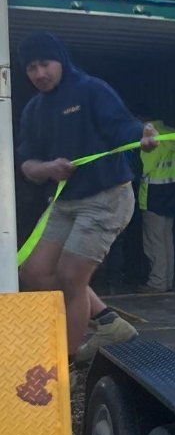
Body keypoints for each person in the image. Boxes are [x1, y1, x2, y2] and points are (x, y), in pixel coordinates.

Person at [15, 31, 157, 364]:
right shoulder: (34, 110)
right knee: (33, 273)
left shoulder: (90, 89)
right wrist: (48, 167)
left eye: (45, 63)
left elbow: (123, 127)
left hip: (106, 198)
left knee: (70, 277)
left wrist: (143, 135)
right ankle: (108, 322)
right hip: (64, 202)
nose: (40, 73)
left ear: (60, 60)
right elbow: (27, 164)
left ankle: (65, 363)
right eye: (32, 67)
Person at [135, 111, 175, 293]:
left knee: (154, 241)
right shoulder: (172, 132)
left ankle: (157, 283)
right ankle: (166, 280)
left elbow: (146, 166)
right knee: (166, 239)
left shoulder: (149, 136)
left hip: (153, 194)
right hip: (172, 191)